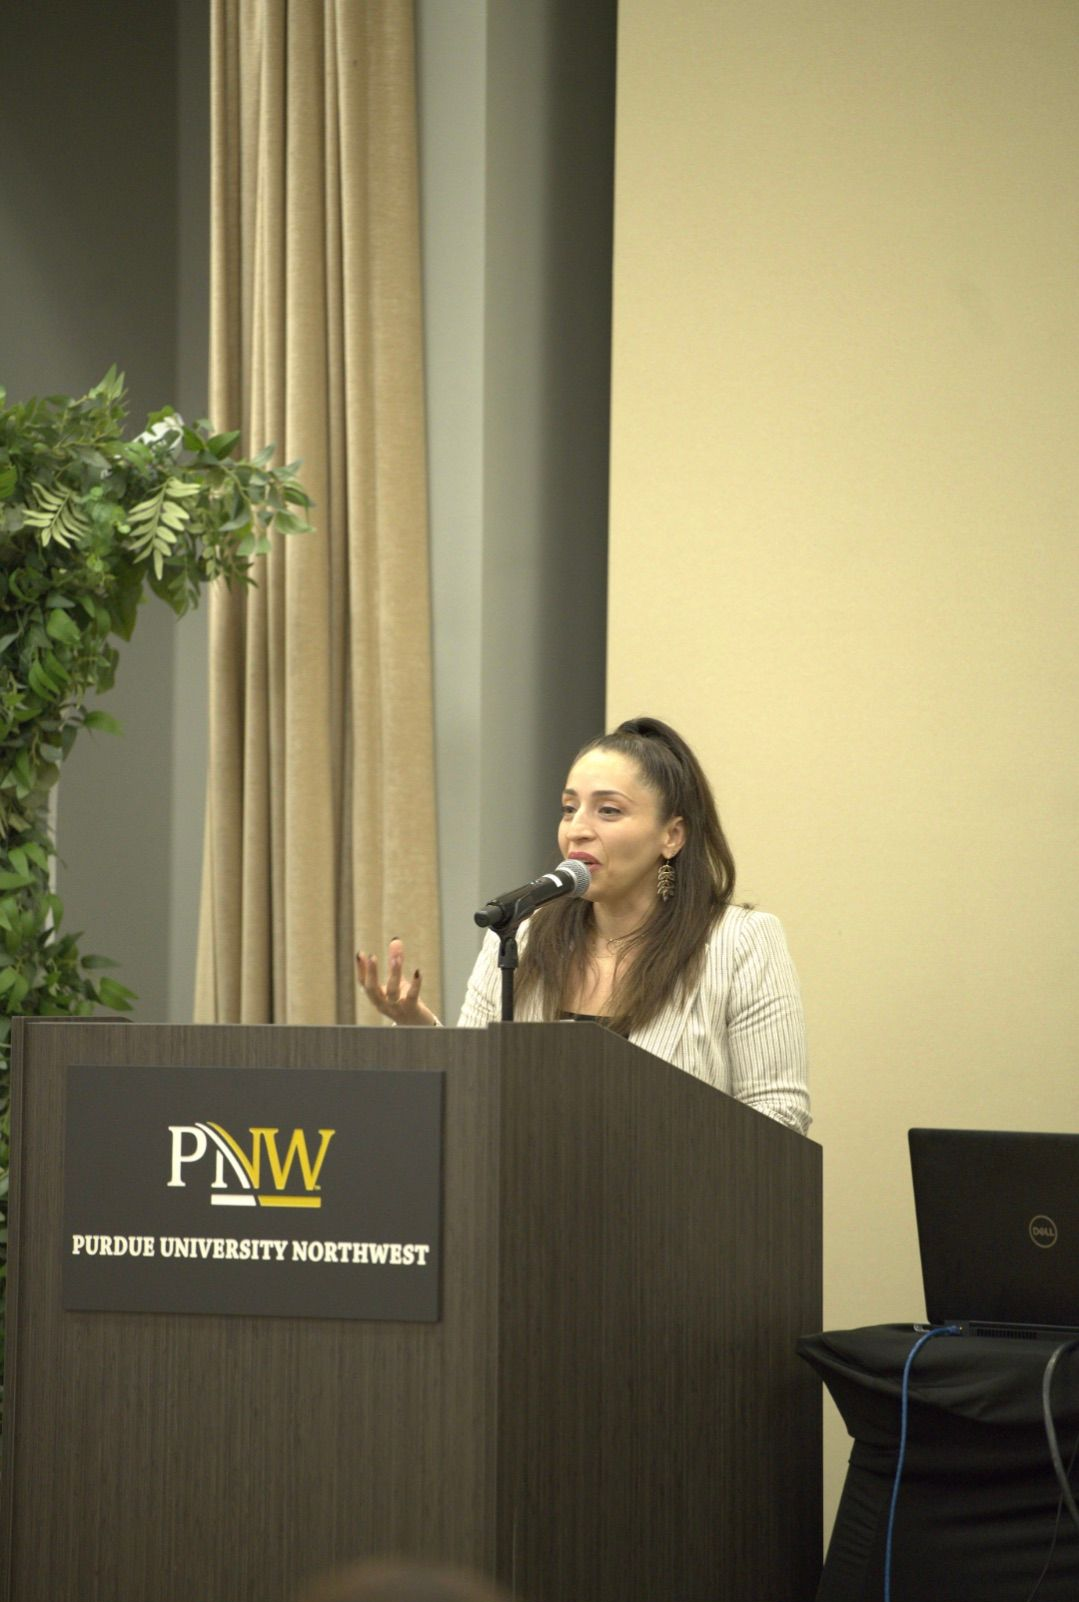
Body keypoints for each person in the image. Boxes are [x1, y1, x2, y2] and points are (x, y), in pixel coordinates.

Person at [356, 717, 810, 1134]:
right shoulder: (523, 934)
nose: (577, 829)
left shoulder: (740, 942)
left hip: (676, 1195)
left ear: (672, 836)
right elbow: (474, 1089)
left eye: (608, 811)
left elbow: (780, 1115)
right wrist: (416, 1026)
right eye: (569, 808)